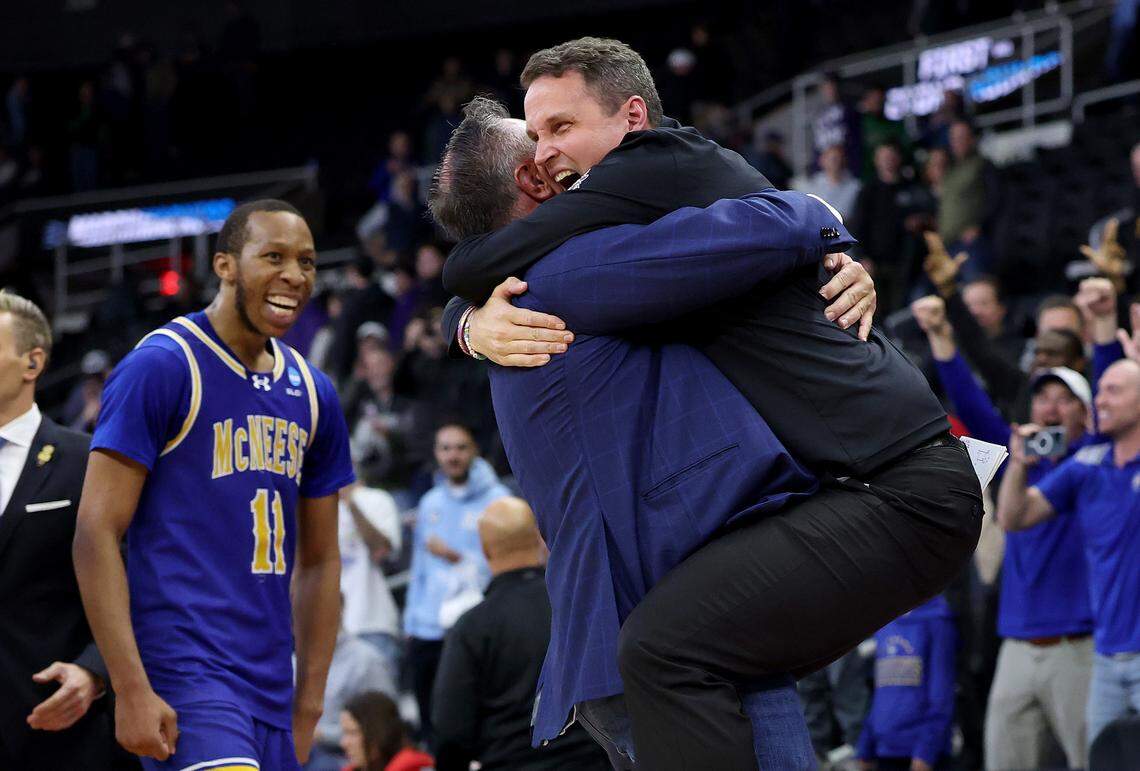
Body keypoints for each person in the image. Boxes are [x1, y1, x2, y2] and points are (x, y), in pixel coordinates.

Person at [438, 38, 981, 770]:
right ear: (533, 182)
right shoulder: (568, 273)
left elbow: (742, 249)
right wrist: (818, 216)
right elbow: (764, 229)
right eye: (535, 139)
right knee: (670, 652)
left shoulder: (541, 284)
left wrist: (463, 324)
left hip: (680, 609)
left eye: (557, 128)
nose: (548, 149)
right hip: (664, 615)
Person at [73, 199, 355, 769]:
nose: (294, 276)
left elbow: (322, 562)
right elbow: (95, 532)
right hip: (185, 669)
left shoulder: (314, 392)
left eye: (306, 262)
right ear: (225, 266)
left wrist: (309, 706)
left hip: (273, 684)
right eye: (272, 256)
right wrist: (130, 688)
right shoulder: (163, 365)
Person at [911, 293, 1095, 769]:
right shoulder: (1020, 458)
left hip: (1077, 644)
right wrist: (939, 338)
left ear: (1086, 413)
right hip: (1015, 643)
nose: (1050, 408)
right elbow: (969, 401)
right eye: (1042, 395)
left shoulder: (1095, 462)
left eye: (1064, 398)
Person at [0, 292, 134, 769]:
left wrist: (95, 670)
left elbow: (135, 575)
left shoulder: (86, 460)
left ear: (32, 361)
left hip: (61, 734)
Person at [996, 357, 1140, 752]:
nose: (1101, 400)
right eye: (1100, 391)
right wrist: (1020, 464)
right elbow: (1014, 517)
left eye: (1112, 390)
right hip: (1109, 655)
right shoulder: (1086, 468)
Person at [432, 497, 609, 771]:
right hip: (596, 760)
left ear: (485, 549)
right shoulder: (580, 601)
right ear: (539, 537)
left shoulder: (472, 627)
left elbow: (451, 731)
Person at [402, 422, 508, 744]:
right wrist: (410, 618)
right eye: (445, 448)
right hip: (429, 627)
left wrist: (454, 556)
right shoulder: (431, 502)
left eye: (460, 447)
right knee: (431, 719)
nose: (453, 456)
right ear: (436, 454)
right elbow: (419, 569)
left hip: (478, 624)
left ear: (474, 451)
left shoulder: (497, 500)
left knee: (473, 716)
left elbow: (505, 563)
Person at [855, 596, 958, 771]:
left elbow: (941, 696)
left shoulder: (937, 621)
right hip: (884, 752)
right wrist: (865, 746)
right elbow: (880, 694)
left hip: (921, 757)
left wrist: (926, 751)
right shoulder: (884, 622)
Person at [339, 692, 433, 771]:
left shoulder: (413, 767)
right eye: (345, 733)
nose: (344, 743)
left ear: (379, 732)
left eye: (353, 733)